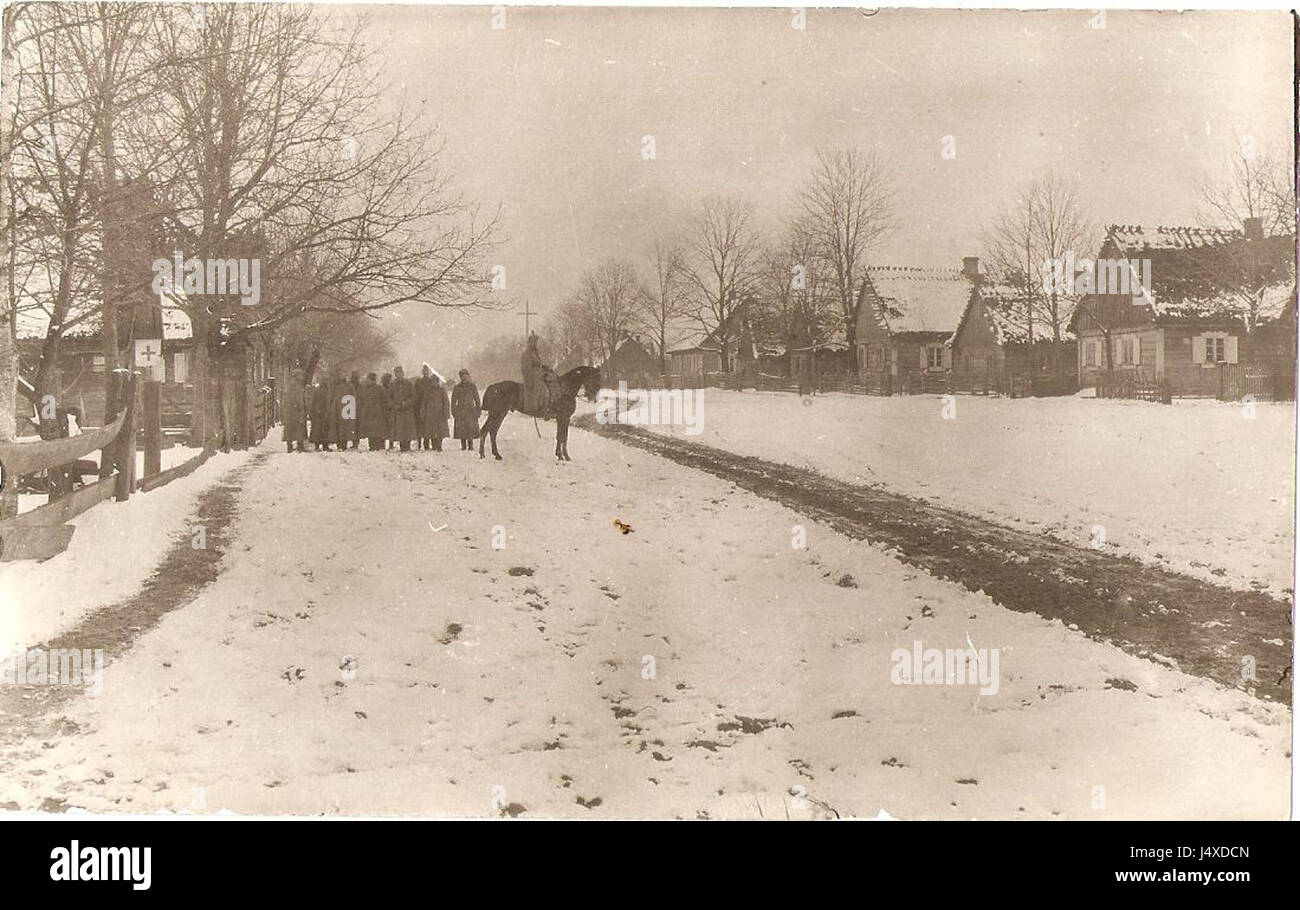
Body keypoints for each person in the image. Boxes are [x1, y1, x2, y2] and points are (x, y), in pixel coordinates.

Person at [520, 331, 558, 415]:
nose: (535, 344)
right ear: (530, 343)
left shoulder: (535, 353)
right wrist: (529, 380)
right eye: (533, 342)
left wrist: (547, 368)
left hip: (539, 374)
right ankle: (540, 408)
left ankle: (551, 405)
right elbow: (526, 368)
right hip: (533, 376)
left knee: (553, 382)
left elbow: (539, 364)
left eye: (536, 342)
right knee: (542, 388)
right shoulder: (527, 354)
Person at [389, 365, 418, 451]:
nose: (398, 375)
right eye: (397, 373)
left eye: (400, 373)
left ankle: (407, 445)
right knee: (400, 430)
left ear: (403, 373)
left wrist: (406, 403)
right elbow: (389, 397)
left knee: (408, 429)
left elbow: (414, 397)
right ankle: (402, 446)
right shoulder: (393, 385)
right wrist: (394, 405)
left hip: (407, 410)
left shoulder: (408, 384)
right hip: (398, 410)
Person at [451, 368, 481, 451]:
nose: (464, 378)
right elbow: (453, 401)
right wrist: (454, 412)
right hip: (461, 411)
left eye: (466, 376)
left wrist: (478, 410)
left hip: (470, 411)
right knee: (462, 429)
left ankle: (470, 445)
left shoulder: (472, 386)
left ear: (468, 376)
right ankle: (463, 445)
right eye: (462, 376)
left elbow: (477, 399)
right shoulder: (457, 387)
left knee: (470, 428)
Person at [358, 372, 387, 451]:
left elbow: (384, 400)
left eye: (369, 379)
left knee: (378, 431)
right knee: (370, 431)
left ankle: (379, 445)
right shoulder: (365, 389)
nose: (367, 381)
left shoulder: (379, 388)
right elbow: (361, 399)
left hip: (377, 412)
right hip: (368, 412)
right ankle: (372, 446)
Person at [282, 369, 309, 453]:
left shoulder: (294, 385)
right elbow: (293, 398)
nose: (302, 377)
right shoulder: (294, 385)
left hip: (294, 410)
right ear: (296, 376)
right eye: (300, 375)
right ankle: (296, 446)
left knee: (294, 428)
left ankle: (295, 445)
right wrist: (297, 405)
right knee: (296, 427)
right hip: (294, 410)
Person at [334, 369, 358, 450]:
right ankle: (339, 443)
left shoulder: (349, 385)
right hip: (336, 407)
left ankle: (344, 443)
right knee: (337, 426)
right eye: (340, 374)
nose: (342, 376)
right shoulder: (335, 385)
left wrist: (351, 408)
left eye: (343, 374)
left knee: (345, 427)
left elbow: (353, 396)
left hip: (346, 408)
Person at [425, 373, 450, 451]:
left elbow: (446, 402)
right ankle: (434, 445)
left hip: (440, 414)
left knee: (440, 431)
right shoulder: (428, 391)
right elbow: (424, 402)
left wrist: (446, 413)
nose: (434, 383)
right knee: (432, 431)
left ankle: (439, 445)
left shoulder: (442, 390)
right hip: (430, 413)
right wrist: (423, 412)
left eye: (435, 381)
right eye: (432, 381)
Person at [309, 375, 334, 451]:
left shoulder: (328, 390)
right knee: (318, 429)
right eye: (324, 380)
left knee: (324, 429)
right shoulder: (318, 390)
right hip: (319, 412)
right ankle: (317, 446)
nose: (325, 382)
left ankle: (324, 445)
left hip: (324, 412)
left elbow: (330, 401)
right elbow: (313, 401)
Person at [414, 363, 435, 450]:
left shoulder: (431, 382)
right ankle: (419, 443)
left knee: (429, 425)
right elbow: (415, 393)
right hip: (419, 405)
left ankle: (427, 443)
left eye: (427, 371)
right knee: (420, 426)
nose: (425, 372)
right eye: (424, 371)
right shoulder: (418, 382)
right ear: (422, 372)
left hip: (429, 406)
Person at [380, 373, 394, 449]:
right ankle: (383, 444)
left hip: (390, 409)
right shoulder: (381, 388)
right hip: (384, 409)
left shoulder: (392, 387)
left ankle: (390, 444)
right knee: (384, 428)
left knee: (390, 428)